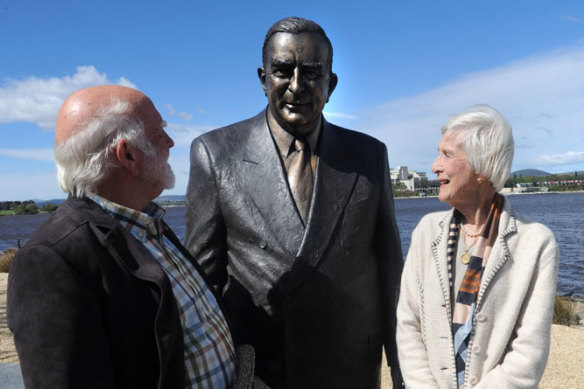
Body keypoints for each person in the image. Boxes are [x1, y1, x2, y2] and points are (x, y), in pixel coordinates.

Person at [185, 16, 403, 388]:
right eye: (283, 71)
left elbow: (390, 272)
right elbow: (203, 283)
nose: (296, 86)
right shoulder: (216, 153)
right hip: (262, 373)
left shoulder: (369, 156)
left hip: (350, 367)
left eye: (312, 73)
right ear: (263, 78)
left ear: (330, 84)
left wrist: (401, 370)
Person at [7, 85, 252, 388]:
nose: (171, 142)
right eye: (160, 132)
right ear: (128, 155)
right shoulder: (50, 260)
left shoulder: (147, 222)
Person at [396, 105, 559, 388]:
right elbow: (408, 324)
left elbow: (529, 353)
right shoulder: (425, 232)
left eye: (447, 154)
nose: (435, 166)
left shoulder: (536, 244)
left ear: (483, 166)